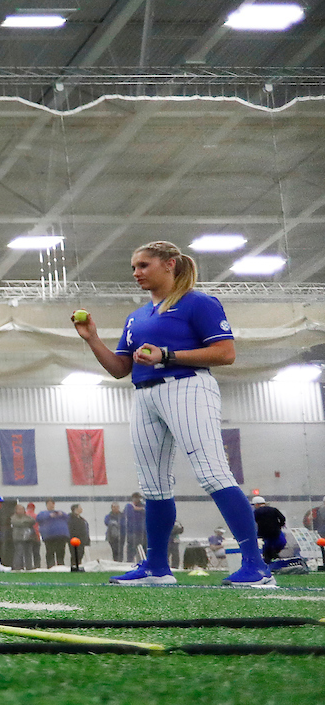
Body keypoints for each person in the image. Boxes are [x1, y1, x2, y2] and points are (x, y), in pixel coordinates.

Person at [74, 240, 272, 587]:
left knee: (213, 473)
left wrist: (166, 354)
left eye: (143, 265)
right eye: (134, 267)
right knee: (152, 485)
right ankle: (156, 567)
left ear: (170, 264)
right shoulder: (135, 317)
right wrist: (92, 338)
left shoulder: (197, 302)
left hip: (188, 387)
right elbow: (120, 368)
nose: (136, 273)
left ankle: (256, 566)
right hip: (144, 395)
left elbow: (225, 354)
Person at [252, 496, 287, 564]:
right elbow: (282, 518)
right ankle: (275, 556)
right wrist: (279, 525)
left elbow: (252, 522)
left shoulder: (256, 512)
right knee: (281, 543)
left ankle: (268, 561)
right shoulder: (273, 509)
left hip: (264, 534)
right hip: (276, 532)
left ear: (256, 504)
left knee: (267, 548)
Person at [36, 498, 69, 568]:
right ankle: (50, 566)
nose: (51, 505)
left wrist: (61, 514)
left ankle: (61, 566)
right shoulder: (43, 513)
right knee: (50, 551)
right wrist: (50, 516)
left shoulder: (60, 513)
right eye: (49, 504)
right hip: (49, 537)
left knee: (60, 551)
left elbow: (67, 517)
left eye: (52, 504)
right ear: (46, 505)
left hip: (61, 536)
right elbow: (38, 518)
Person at [10, 504, 35, 571]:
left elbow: (32, 521)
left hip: (28, 538)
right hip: (18, 538)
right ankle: (17, 567)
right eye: (19, 509)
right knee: (19, 553)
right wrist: (25, 522)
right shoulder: (13, 517)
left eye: (22, 509)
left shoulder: (27, 516)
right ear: (16, 510)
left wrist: (24, 522)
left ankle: (29, 567)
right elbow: (17, 523)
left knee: (28, 553)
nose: (21, 511)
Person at [124, 493, 147, 563]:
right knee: (131, 549)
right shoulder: (129, 506)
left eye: (138, 498)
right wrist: (140, 510)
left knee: (144, 549)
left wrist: (138, 509)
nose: (137, 500)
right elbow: (129, 513)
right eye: (135, 498)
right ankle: (129, 563)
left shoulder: (144, 505)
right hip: (132, 532)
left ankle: (144, 563)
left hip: (143, 532)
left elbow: (148, 511)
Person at [68, 504, 90, 572]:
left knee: (80, 554)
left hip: (82, 540)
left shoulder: (81, 519)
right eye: (80, 508)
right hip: (74, 540)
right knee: (75, 554)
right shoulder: (71, 518)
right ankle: (74, 567)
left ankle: (78, 566)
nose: (81, 509)